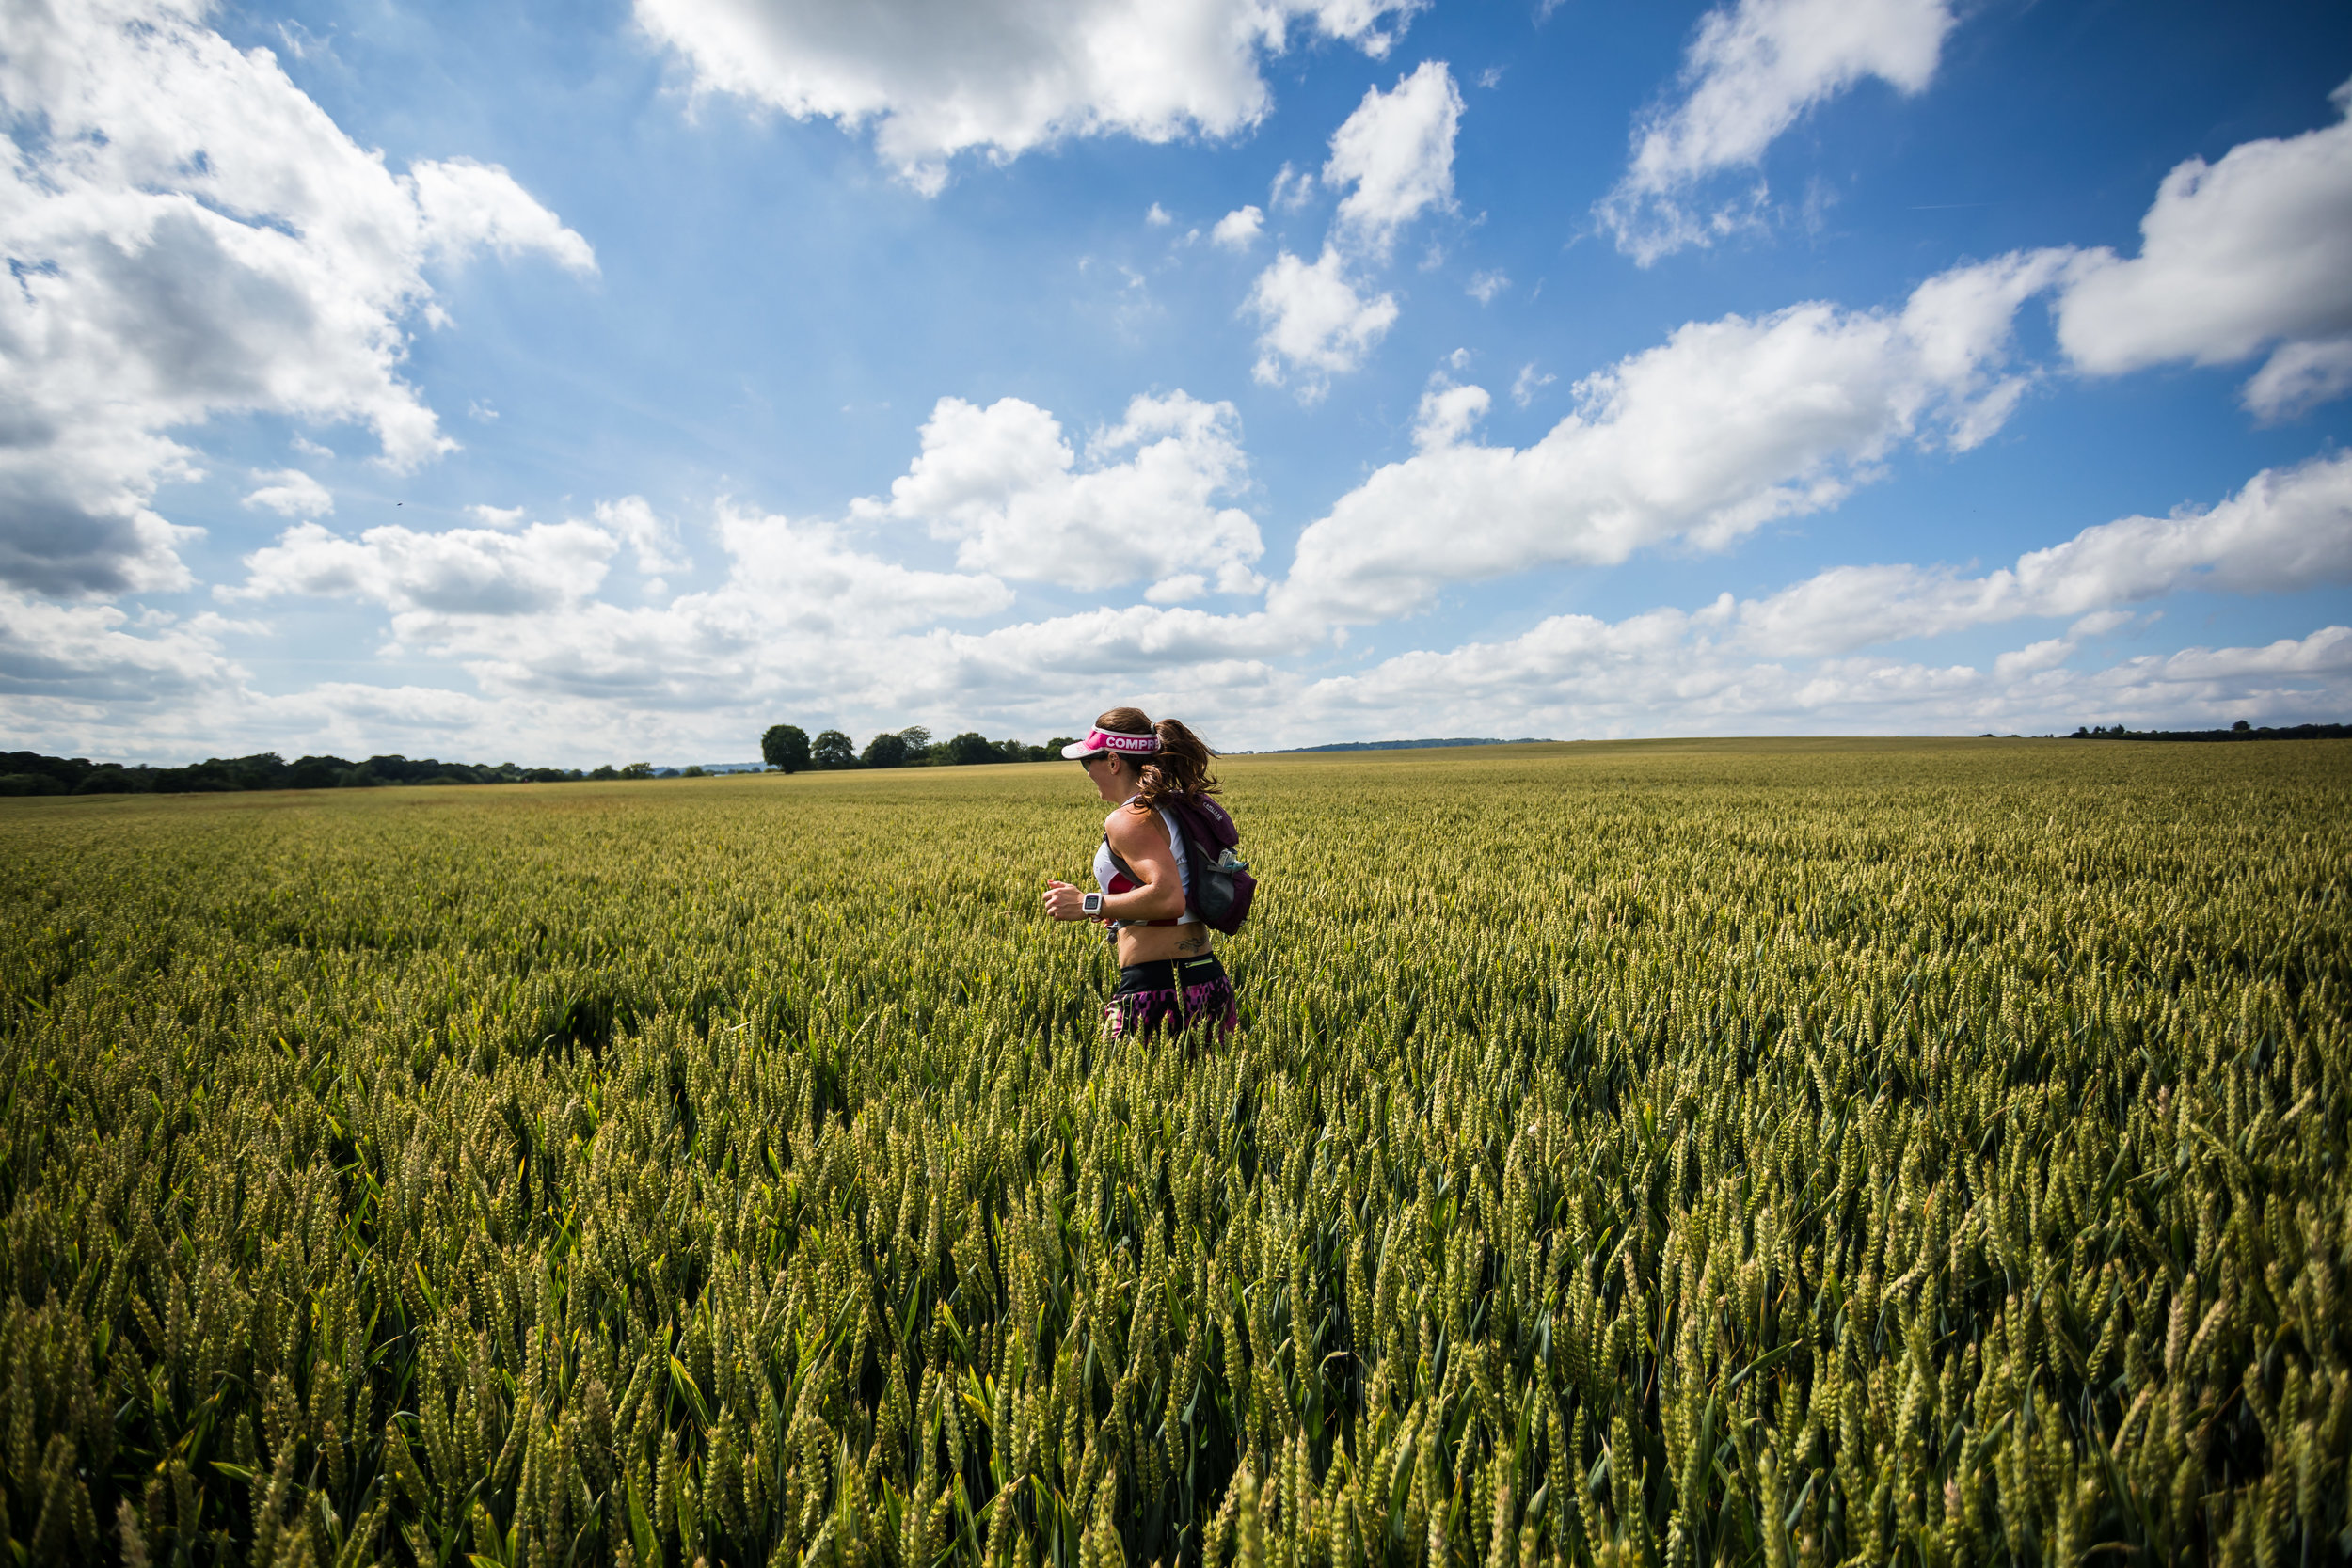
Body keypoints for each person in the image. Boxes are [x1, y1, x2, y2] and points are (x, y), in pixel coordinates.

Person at [1042, 706, 1241, 1039]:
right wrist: (1120, 908)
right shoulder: (1175, 808)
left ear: (1113, 761)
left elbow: (1168, 898)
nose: (1086, 770)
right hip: (1209, 982)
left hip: (1155, 989)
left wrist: (1089, 904)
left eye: (1086, 760)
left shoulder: (1128, 818)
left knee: (1117, 1087)